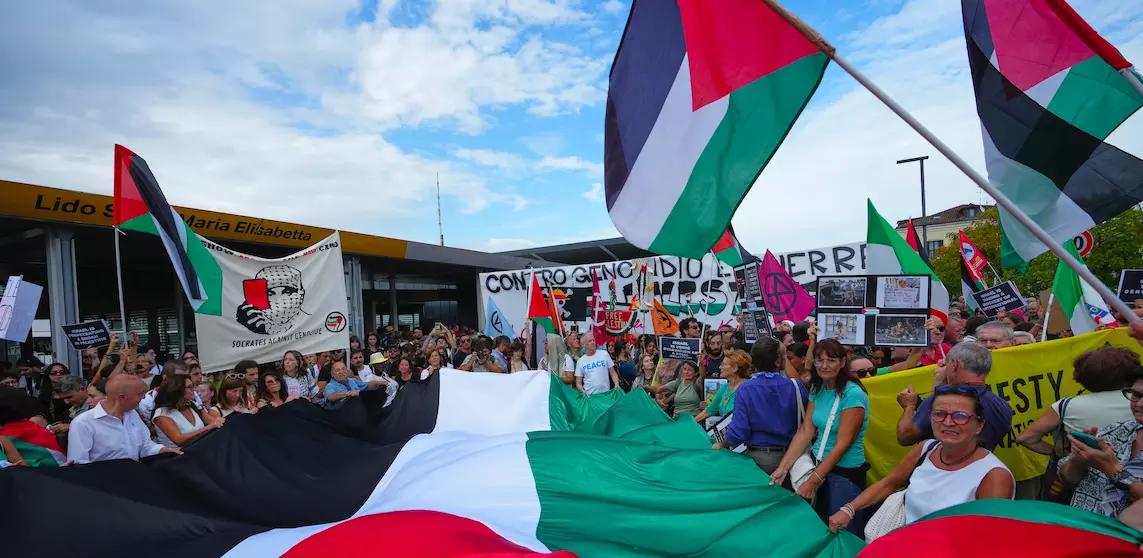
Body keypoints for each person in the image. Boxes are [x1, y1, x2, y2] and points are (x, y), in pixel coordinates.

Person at [827, 386, 1015, 534]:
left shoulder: (994, 476)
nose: (948, 422)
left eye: (960, 416)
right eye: (939, 414)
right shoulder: (927, 448)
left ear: (979, 425)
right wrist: (849, 509)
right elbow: (888, 483)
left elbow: (988, 539)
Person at [771, 339, 870, 536]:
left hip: (844, 473)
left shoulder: (853, 394)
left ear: (842, 362)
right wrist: (782, 468)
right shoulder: (818, 388)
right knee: (816, 530)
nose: (824, 366)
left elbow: (843, 445)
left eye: (831, 360)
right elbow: (805, 431)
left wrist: (812, 482)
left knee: (840, 534)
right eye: (819, 360)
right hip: (818, 465)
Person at [1057, 365, 1143, 518]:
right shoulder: (1117, 430)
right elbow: (1068, 478)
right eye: (1136, 395)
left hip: (1123, 533)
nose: (1139, 404)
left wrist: (1113, 470)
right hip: (1079, 525)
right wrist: (1079, 460)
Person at [896, 342, 1014, 451]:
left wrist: (909, 406)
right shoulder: (1003, 406)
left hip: (941, 465)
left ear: (954, 364)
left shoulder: (943, 400)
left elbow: (905, 437)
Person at [724, 337, 808, 482]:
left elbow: (738, 432)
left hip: (759, 458)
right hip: (791, 458)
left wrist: (722, 443)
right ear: (778, 362)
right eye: (784, 355)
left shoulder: (745, 388)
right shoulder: (795, 386)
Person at [67, 375, 181, 464]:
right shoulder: (83, 423)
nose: (144, 397)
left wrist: (164, 450)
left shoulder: (132, 415)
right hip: (102, 483)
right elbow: (79, 463)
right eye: (140, 394)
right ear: (121, 398)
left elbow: (145, 446)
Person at [152, 374, 219, 448]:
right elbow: (178, 440)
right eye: (190, 387)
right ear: (177, 390)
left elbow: (213, 422)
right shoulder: (162, 413)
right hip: (178, 454)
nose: (194, 390)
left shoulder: (192, 404)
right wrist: (205, 429)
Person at [694, 349, 751, 425]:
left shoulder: (748, 388)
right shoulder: (725, 387)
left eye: (723, 364)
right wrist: (690, 423)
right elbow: (709, 410)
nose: (720, 367)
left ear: (734, 368)